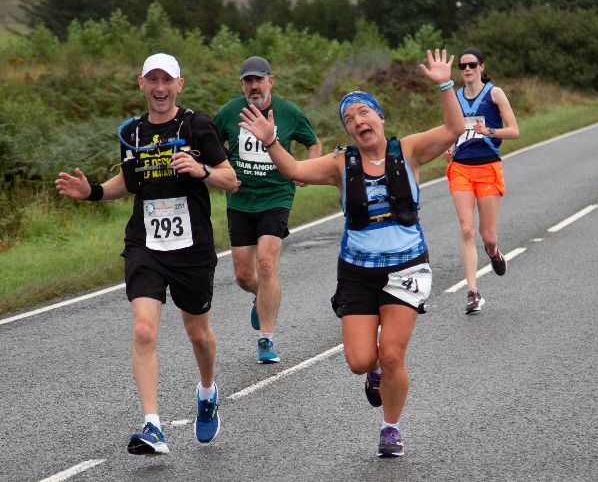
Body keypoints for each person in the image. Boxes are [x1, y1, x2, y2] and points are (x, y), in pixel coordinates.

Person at [238, 49, 464, 458]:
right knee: (361, 361)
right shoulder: (341, 164)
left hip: (406, 267)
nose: (359, 121)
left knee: (393, 354)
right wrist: (271, 141)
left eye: (364, 113)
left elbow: (454, 126)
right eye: (349, 118)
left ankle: (391, 429)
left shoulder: (407, 150)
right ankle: (372, 373)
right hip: (357, 271)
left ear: (380, 118)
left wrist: (445, 84)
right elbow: (294, 171)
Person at [55, 53, 238, 455]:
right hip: (145, 243)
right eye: (152, 80)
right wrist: (94, 193)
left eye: (166, 80)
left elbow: (231, 179)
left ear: (179, 84)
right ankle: (153, 426)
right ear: (141, 83)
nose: (159, 88)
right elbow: (128, 181)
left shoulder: (196, 125)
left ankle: (207, 391)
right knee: (143, 329)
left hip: (191, 247)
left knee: (198, 333)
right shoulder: (133, 133)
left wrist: (201, 170)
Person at [214, 56, 322, 364]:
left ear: (270, 81)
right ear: (242, 85)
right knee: (243, 275)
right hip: (240, 199)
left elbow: (312, 142)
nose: (253, 86)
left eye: (258, 80)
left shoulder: (288, 112)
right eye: (248, 81)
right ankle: (262, 296)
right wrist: (222, 169)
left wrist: (306, 169)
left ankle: (266, 339)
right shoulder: (229, 112)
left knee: (266, 264)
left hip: (276, 196)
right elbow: (210, 144)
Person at [442, 47, 519, 314]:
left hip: (488, 167)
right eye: (462, 66)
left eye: (472, 65)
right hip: (461, 168)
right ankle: (473, 291)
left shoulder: (495, 94)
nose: (466, 70)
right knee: (466, 229)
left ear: (482, 67)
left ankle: (494, 252)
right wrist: (448, 146)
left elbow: (515, 130)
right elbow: (450, 130)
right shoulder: (454, 97)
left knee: (487, 236)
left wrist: (490, 130)